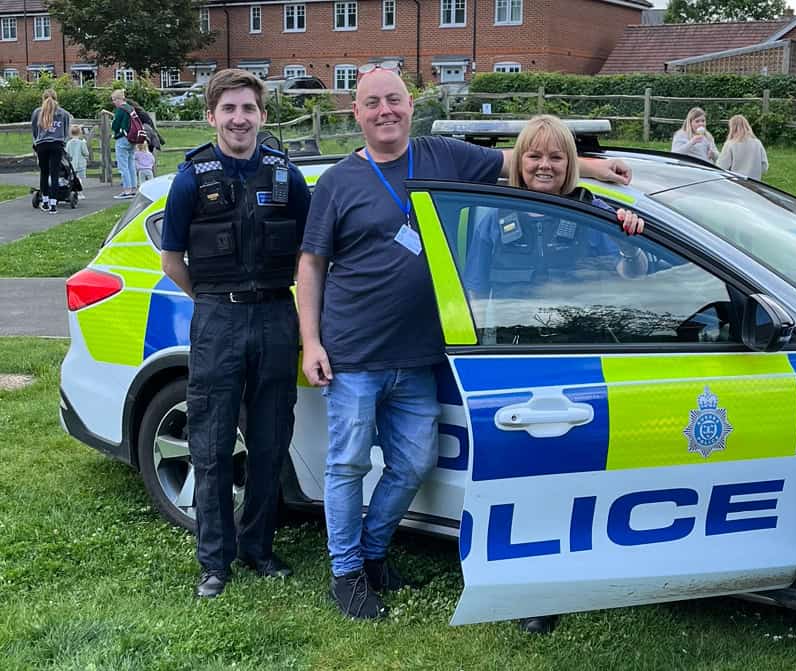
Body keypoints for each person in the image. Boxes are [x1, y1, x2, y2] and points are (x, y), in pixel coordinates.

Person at [295, 65, 632, 621]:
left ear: (410, 105)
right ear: (356, 112)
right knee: (347, 464)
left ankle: (374, 552)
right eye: (373, 102)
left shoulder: (438, 155)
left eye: (395, 100)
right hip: (353, 352)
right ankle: (347, 571)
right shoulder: (336, 183)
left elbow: (520, 160)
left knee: (412, 463)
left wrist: (595, 168)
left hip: (422, 354)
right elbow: (311, 265)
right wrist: (311, 341)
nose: (386, 111)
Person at [463, 115, 644, 635]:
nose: (545, 166)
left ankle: (576, 575)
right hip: (516, 359)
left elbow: (629, 277)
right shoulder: (493, 214)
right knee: (524, 481)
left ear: (570, 163)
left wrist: (630, 240)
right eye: (534, 156)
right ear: (519, 162)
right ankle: (531, 590)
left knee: (574, 476)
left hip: (578, 357)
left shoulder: (594, 211)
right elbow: (475, 289)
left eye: (556, 157)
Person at [159, 69, 312, 599]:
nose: (239, 118)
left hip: (275, 315)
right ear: (211, 116)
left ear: (262, 116)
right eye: (229, 109)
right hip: (217, 321)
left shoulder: (286, 177)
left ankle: (258, 548)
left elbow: (307, 256)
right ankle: (215, 562)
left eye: (248, 109)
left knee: (271, 440)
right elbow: (171, 259)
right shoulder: (190, 179)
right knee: (212, 443)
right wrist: (211, 298)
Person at [30, 89, 71, 214]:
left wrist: (37, 142)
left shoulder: (37, 112)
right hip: (57, 144)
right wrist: (62, 141)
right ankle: (54, 204)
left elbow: (34, 130)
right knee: (54, 174)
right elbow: (65, 131)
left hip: (42, 145)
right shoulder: (63, 113)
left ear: (43, 98)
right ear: (56, 98)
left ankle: (45, 201)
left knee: (44, 173)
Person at [716, 114, 768, 180]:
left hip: (736, 183)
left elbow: (722, 166)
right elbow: (764, 166)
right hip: (755, 182)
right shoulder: (757, 142)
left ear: (732, 128)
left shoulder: (730, 144)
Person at [111, 89, 137, 200]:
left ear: (118, 99)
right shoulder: (131, 108)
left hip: (122, 138)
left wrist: (113, 124)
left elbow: (115, 126)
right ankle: (133, 188)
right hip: (132, 138)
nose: (113, 102)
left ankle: (127, 190)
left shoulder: (120, 110)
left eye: (114, 100)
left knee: (123, 166)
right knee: (131, 164)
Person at [66, 125, 88, 199]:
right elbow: (86, 153)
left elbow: (66, 153)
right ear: (80, 133)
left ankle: (73, 193)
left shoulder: (69, 143)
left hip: (71, 165)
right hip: (81, 164)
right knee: (80, 179)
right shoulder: (82, 143)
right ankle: (80, 194)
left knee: (73, 179)